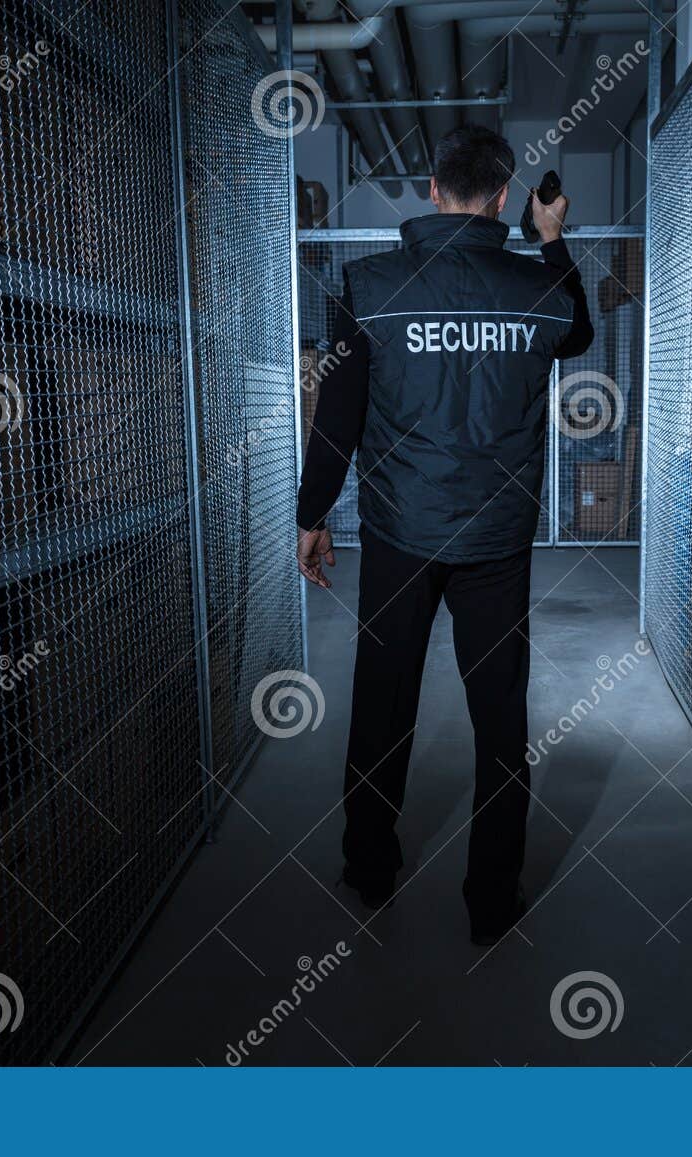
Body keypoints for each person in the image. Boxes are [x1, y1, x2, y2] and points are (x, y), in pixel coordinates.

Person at [294, 124, 594, 946]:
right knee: (499, 718)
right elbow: (581, 335)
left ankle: (368, 869)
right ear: (503, 196)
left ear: (431, 189)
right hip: (496, 539)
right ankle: (491, 902)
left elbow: (339, 418)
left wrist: (312, 515)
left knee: (381, 707)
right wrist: (552, 239)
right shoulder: (539, 289)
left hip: (399, 535)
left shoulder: (368, 285)